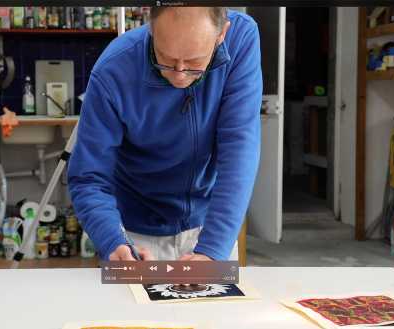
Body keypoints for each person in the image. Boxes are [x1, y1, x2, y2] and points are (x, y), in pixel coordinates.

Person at [68, 7, 262, 262]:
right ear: (151, 28)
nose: (179, 75)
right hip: (133, 233)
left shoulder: (241, 38)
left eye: (194, 63)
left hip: (211, 225)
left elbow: (239, 148)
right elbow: (88, 177)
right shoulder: (112, 70)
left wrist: (213, 250)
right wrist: (113, 242)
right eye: (166, 60)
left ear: (221, 34)